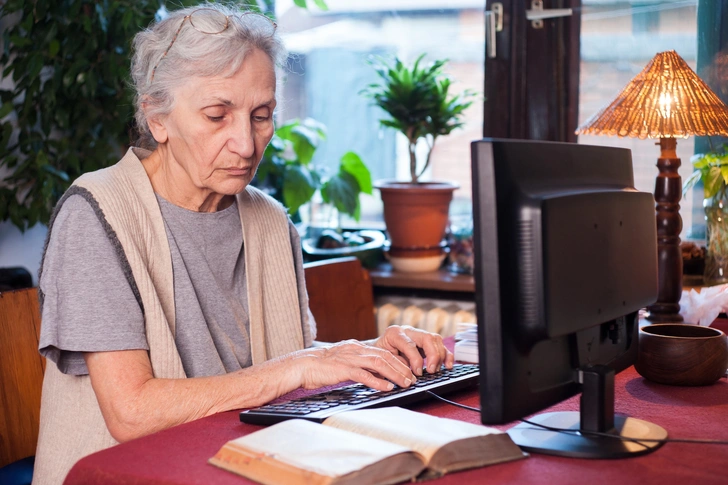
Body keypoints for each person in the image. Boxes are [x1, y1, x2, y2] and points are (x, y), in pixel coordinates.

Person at [32, 4, 454, 484]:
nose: (247, 144)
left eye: (262, 115)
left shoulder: (270, 220)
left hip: (243, 467)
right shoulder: (95, 214)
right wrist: (303, 364)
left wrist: (369, 354)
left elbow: (284, 358)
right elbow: (131, 412)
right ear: (157, 118)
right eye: (217, 115)